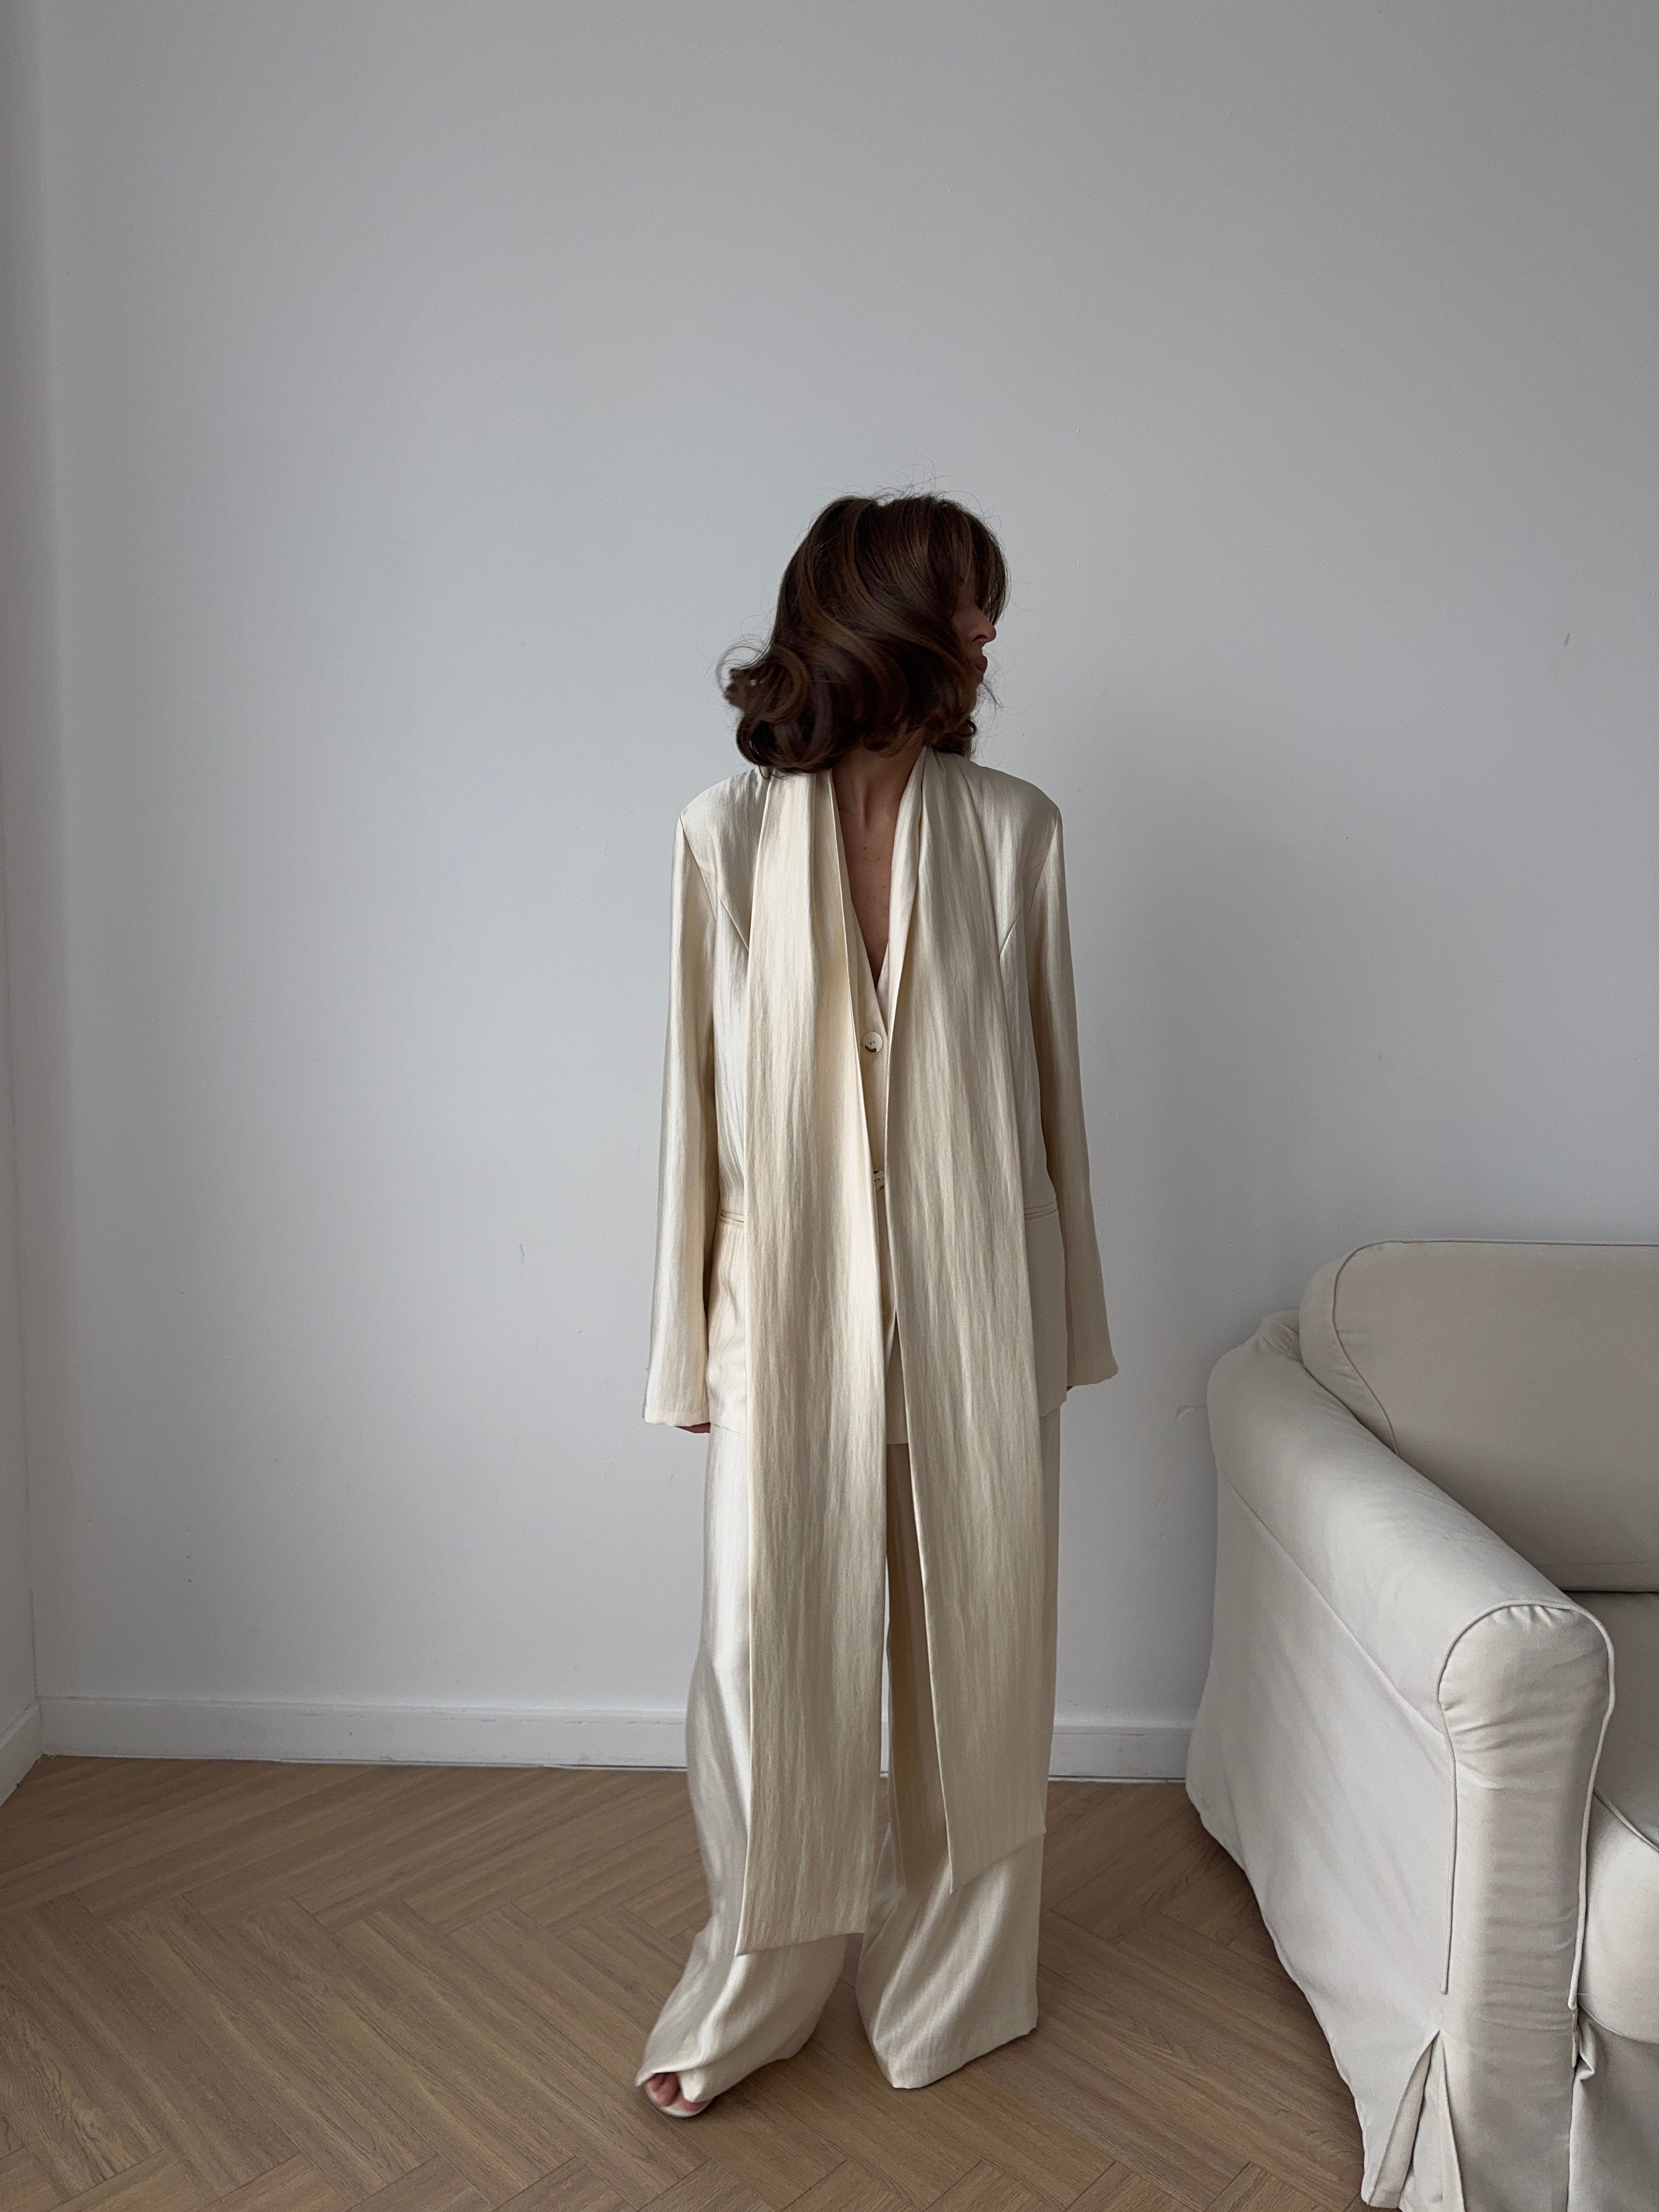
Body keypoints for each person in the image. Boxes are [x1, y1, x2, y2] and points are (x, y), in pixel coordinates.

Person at [637, 492, 1115, 2116]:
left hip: (979, 1304)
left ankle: (954, 1985)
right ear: (875, 614)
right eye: (965, 602)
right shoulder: (721, 837)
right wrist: (685, 1351)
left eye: (990, 606)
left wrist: (1065, 1320)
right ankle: (755, 1987)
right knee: (767, 1650)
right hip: (785, 1317)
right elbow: (692, 1110)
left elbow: (1054, 1097)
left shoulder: (1019, 832)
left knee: (981, 1654)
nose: (989, 632)